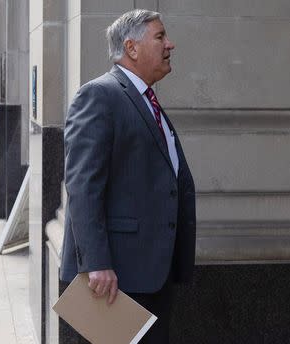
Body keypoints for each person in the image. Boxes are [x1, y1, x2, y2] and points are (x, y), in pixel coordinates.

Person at [61, 9, 196, 343]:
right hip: (115, 279)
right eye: (160, 36)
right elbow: (82, 185)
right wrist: (97, 263)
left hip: (152, 273)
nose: (170, 44)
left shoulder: (145, 99)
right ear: (132, 48)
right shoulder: (99, 95)